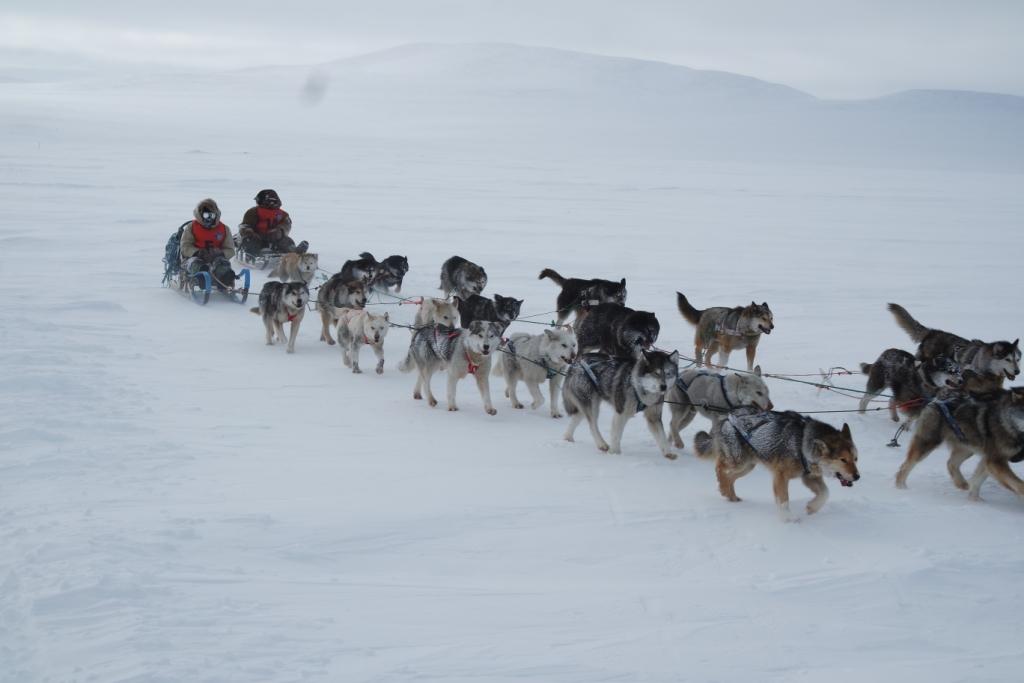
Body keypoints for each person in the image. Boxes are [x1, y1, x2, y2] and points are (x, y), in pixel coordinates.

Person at [180, 198, 237, 289]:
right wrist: (197, 252)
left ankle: (225, 282)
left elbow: (230, 249)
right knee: (197, 265)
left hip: (216, 258)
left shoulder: (224, 229)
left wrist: (220, 253)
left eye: (212, 215)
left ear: (216, 215)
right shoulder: (191, 227)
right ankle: (201, 281)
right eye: (206, 215)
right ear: (201, 215)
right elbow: (185, 246)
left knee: (223, 265)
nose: (209, 218)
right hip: (194, 257)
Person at [237, 189, 308, 255]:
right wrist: (248, 231)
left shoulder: (282, 214)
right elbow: (245, 225)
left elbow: (286, 225)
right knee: (250, 241)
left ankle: (294, 252)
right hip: (256, 237)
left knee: (286, 240)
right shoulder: (253, 212)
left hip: (273, 239)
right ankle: (253, 255)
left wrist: (280, 231)